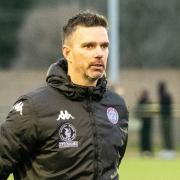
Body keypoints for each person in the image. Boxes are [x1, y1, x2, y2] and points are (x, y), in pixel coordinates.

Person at [0, 11, 129, 179]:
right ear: (67, 53)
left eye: (104, 46)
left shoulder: (117, 106)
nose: (99, 53)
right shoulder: (34, 108)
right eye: (89, 46)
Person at [158, 81, 175, 159]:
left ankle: (170, 150)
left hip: (167, 118)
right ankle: (166, 149)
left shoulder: (166, 96)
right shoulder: (163, 95)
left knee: (168, 134)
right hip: (164, 117)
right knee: (165, 134)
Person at [135, 90, 153, 157]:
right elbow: (137, 110)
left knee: (147, 137)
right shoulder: (141, 101)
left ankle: (148, 151)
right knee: (143, 137)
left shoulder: (148, 101)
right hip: (142, 123)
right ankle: (143, 151)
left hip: (147, 123)